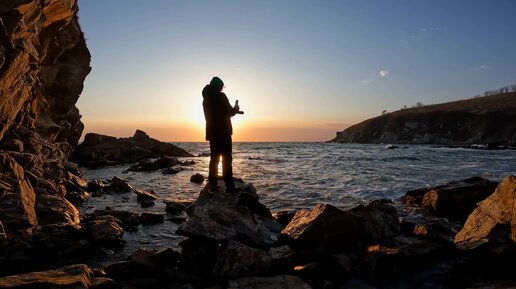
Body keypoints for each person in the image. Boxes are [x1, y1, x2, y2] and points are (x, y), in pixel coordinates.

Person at [202, 76, 241, 194]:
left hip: (212, 133)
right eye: (222, 87)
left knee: (214, 160)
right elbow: (229, 112)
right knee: (226, 160)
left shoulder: (205, 99)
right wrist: (236, 108)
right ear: (219, 86)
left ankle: (213, 187)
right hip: (224, 132)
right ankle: (230, 188)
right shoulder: (221, 96)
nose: (222, 89)